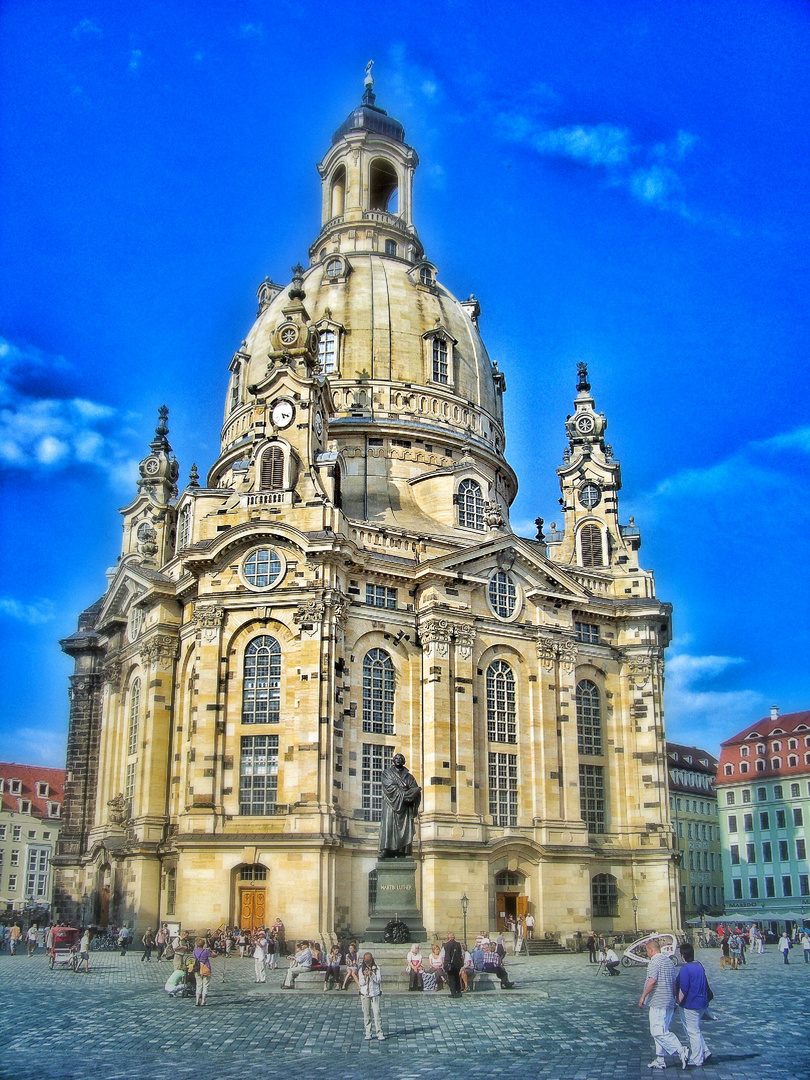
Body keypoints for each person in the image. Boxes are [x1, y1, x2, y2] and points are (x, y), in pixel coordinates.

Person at [638, 938, 689, 1071]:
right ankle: (660, 1059)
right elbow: (674, 984)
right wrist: (674, 1000)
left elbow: (652, 981)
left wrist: (643, 996)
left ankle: (681, 1050)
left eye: (647, 951)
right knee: (662, 1030)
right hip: (668, 1001)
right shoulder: (669, 962)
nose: (647, 954)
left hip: (658, 1001)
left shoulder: (654, 962)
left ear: (651, 950)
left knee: (657, 1032)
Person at [378, 753, 421, 859]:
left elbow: (415, 789)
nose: (399, 760)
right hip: (391, 806)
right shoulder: (387, 773)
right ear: (393, 760)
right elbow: (390, 788)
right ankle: (387, 849)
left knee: (405, 829)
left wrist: (412, 793)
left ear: (404, 761)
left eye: (401, 758)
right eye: (396, 758)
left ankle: (402, 850)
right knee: (389, 826)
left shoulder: (409, 776)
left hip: (405, 808)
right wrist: (406, 793)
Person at [676, 942, 712, 1067]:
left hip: (690, 1004)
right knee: (695, 1029)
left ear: (682, 956)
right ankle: (705, 1051)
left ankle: (697, 1059)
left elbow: (683, 989)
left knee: (692, 1032)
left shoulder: (685, 969)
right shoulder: (699, 965)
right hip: (702, 1002)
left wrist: (677, 1003)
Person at [358, 952, 385, 1042]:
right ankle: (368, 1033)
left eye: (369, 961)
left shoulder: (377, 968)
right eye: (366, 961)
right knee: (366, 1013)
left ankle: (379, 1033)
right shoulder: (361, 969)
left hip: (375, 993)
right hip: (365, 994)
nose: (367, 963)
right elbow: (361, 983)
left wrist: (372, 974)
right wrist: (365, 976)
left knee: (376, 1013)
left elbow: (379, 980)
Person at [442, 932, 464, 998]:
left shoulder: (445, 945)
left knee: (451, 978)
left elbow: (442, 956)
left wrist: (444, 964)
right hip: (457, 964)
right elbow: (462, 955)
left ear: (448, 938)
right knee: (457, 977)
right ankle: (458, 991)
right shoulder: (458, 944)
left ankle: (453, 993)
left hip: (449, 964)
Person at [192, 937, 213, 1006]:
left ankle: (197, 1000)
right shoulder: (205, 951)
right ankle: (203, 1001)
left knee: (198, 985)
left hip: (197, 968)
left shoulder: (194, 952)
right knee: (205, 985)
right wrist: (210, 951)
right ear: (203, 944)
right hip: (205, 968)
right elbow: (214, 955)